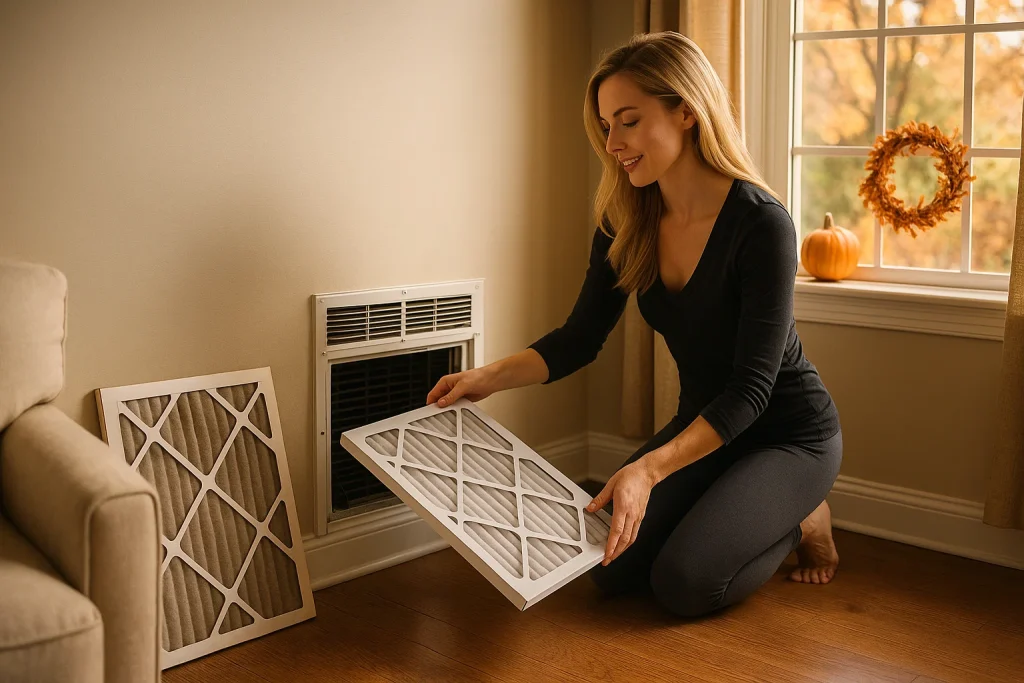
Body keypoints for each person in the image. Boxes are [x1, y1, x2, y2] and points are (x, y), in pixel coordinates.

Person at [425, 31, 842, 618]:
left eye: (628, 121)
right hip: (701, 431)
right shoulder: (624, 221)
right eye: (605, 125)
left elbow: (752, 390)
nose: (611, 142)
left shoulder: (761, 224)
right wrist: (488, 376)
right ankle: (731, 510)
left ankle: (803, 519)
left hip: (787, 435)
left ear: (687, 113)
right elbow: (579, 338)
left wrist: (646, 469)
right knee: (609, 567)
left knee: (686, 585)